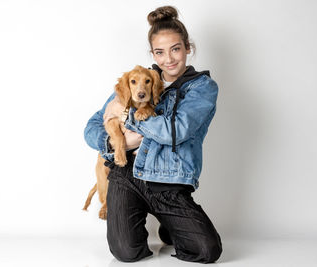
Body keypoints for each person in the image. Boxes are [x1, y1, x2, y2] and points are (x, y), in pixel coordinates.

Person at [84, 6, 222, 264]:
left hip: (167, 182)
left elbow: (177, 130)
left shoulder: (202, 88)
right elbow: (92, 126)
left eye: (175, 49)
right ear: (153, 54)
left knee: (207, 251)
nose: (168, 59)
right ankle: (139, 213)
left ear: (187, 48)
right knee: (126, 253)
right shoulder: (137, 79)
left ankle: (168, 223)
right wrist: (116, 143)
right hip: (126, 174)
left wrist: (128, 119)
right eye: (160, 52)